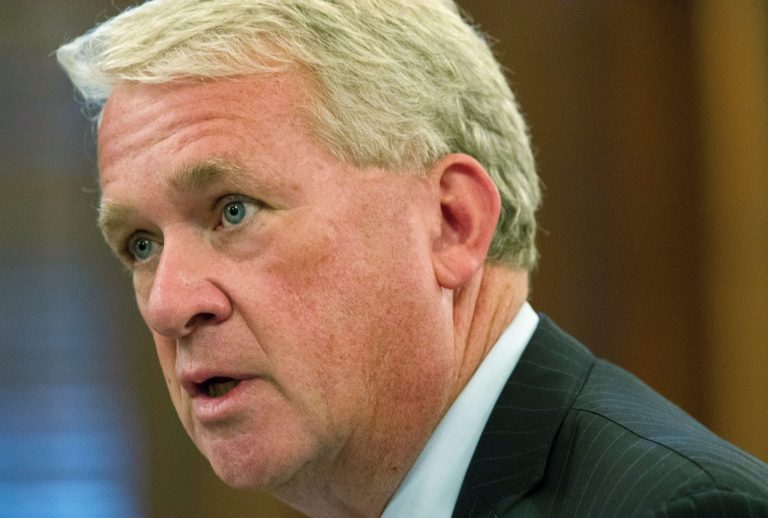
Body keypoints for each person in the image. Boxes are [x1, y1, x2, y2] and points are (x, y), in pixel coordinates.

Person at [57, 1, 768, 516]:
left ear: (452, 224)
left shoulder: (678, 508)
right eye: (141, 245)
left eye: (233, 210)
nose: (168, 303)